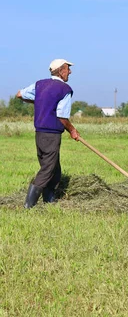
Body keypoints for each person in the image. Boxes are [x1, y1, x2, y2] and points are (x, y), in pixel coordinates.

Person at [16, 59, 80, 208]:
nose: (70, 72)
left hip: (39, 133)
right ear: (61, 70)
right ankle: (28, 206)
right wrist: (72, 130)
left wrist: (40, 101)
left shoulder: (39, 84)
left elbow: (20, 94)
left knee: (54, 168)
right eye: (68, 69)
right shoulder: (65, 89)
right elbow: (62, 116)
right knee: (47, 168)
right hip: (51, 134)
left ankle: (49, 200)